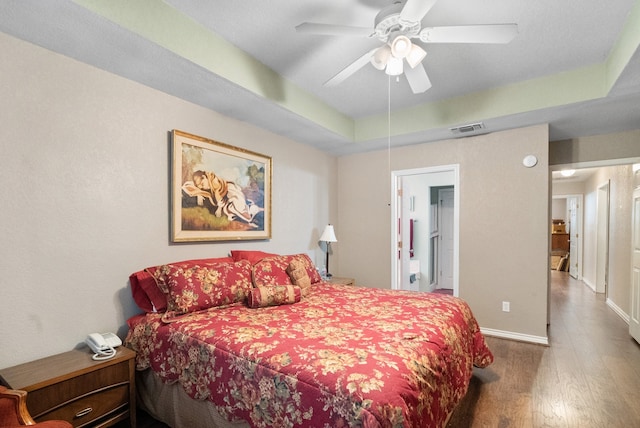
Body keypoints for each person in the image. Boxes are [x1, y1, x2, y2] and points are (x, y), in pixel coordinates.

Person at [182, 170, 263, 228]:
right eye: (200, 186)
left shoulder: (214, 181)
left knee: (236, 207)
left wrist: (219, 207)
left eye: (202, 184)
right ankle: (251, 215)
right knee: (230, 210)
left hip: (232, 193)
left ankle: (251, 214)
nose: (203, 188)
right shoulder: (208, 185)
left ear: (204, 177)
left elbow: (219, 197)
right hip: (227, 199)